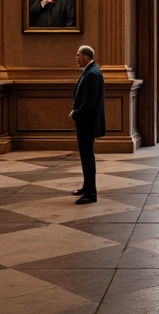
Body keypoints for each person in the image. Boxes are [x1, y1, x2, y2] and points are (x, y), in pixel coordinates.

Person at [70, 44, 105, 204]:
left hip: (87, 122)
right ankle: (87, 186)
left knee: (87, 156)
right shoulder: (91, 71)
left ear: (86, 56)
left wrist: (75, 113)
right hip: (86, 122)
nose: (76, 58)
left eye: (78, 55)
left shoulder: (91, 73)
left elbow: (89, 102)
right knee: (86, 156)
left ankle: (91, 193)